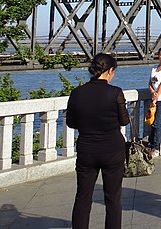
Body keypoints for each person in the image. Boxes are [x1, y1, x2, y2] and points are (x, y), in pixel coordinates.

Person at [66, 53, 130, 229]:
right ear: (109, 71)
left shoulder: (77, 93)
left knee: (83, 197)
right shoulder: (115, 92)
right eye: (113, 71)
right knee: (113, 199)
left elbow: (71, 123)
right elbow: (124, 121)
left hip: (87, 149)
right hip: (112, 149)